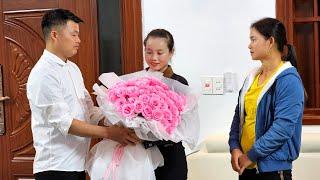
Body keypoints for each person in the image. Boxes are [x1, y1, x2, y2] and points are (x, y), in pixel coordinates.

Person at [26, 9, 139, 180]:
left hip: (78, 164)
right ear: (55, 35)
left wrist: (122, 119)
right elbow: (66, 124)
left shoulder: (73, 68)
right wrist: (110, 133)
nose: (79, 40)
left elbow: (89, 110)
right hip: (56, 167)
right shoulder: (43, 73)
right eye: (74, 35)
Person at [228, 17, 304, 180]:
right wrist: (234, 147)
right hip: (246, 167)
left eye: (253, 39)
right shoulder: (252, 78)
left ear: (270, 41)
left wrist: (251, 155)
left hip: (273, 171)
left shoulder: (289, 80)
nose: (249, 45)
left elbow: (282, 128)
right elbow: (239, 117)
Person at [142, 29, 188, 180]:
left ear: (171, 52)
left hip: (171, 157)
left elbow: (181, 124)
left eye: (160, 53)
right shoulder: (136, 81)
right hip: (143, 157)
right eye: (149, 52)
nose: (153, 58)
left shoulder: (179, 83)